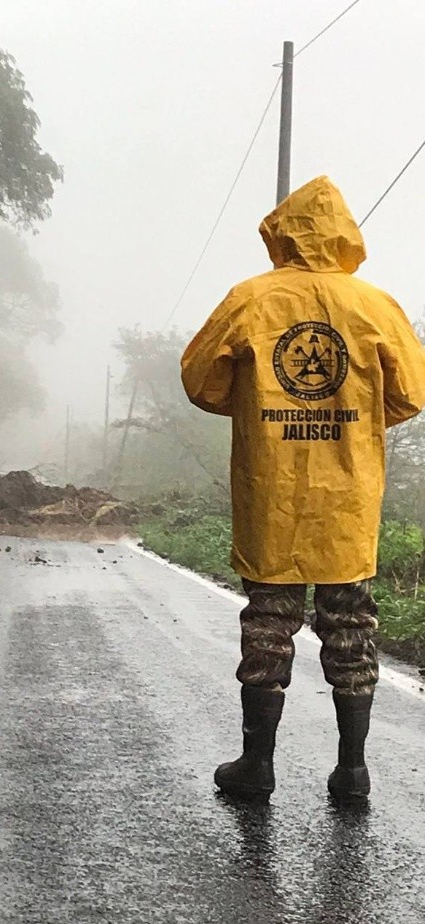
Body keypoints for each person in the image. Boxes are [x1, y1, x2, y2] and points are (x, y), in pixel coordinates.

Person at [180, 175, 425, 801]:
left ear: (282, 233)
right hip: (349, 496)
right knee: (352, 626)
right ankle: (353, 772)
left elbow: (202, 381)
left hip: (273, 492)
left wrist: (258, 404)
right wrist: (353, 415)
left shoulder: (250, 300)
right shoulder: (375, 306)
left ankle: (256, 765)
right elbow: (410, 394)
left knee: (269, 624)